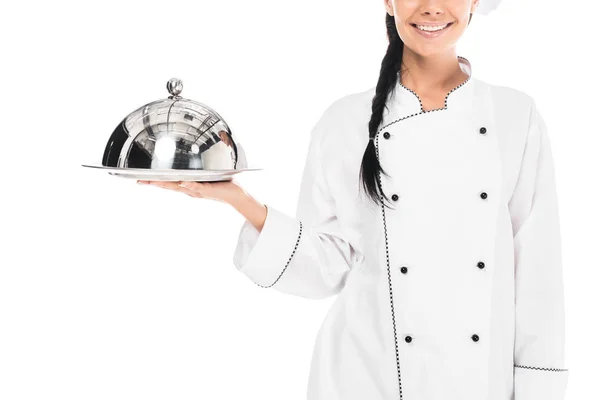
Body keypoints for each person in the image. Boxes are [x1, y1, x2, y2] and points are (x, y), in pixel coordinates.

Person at [137, 0, 569, 399]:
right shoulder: (344, 122)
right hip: (365, 376)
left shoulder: (515, 117)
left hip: (481, 383)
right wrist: (240, 199)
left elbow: (537, 273)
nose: (432, 8)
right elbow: (326, 267)